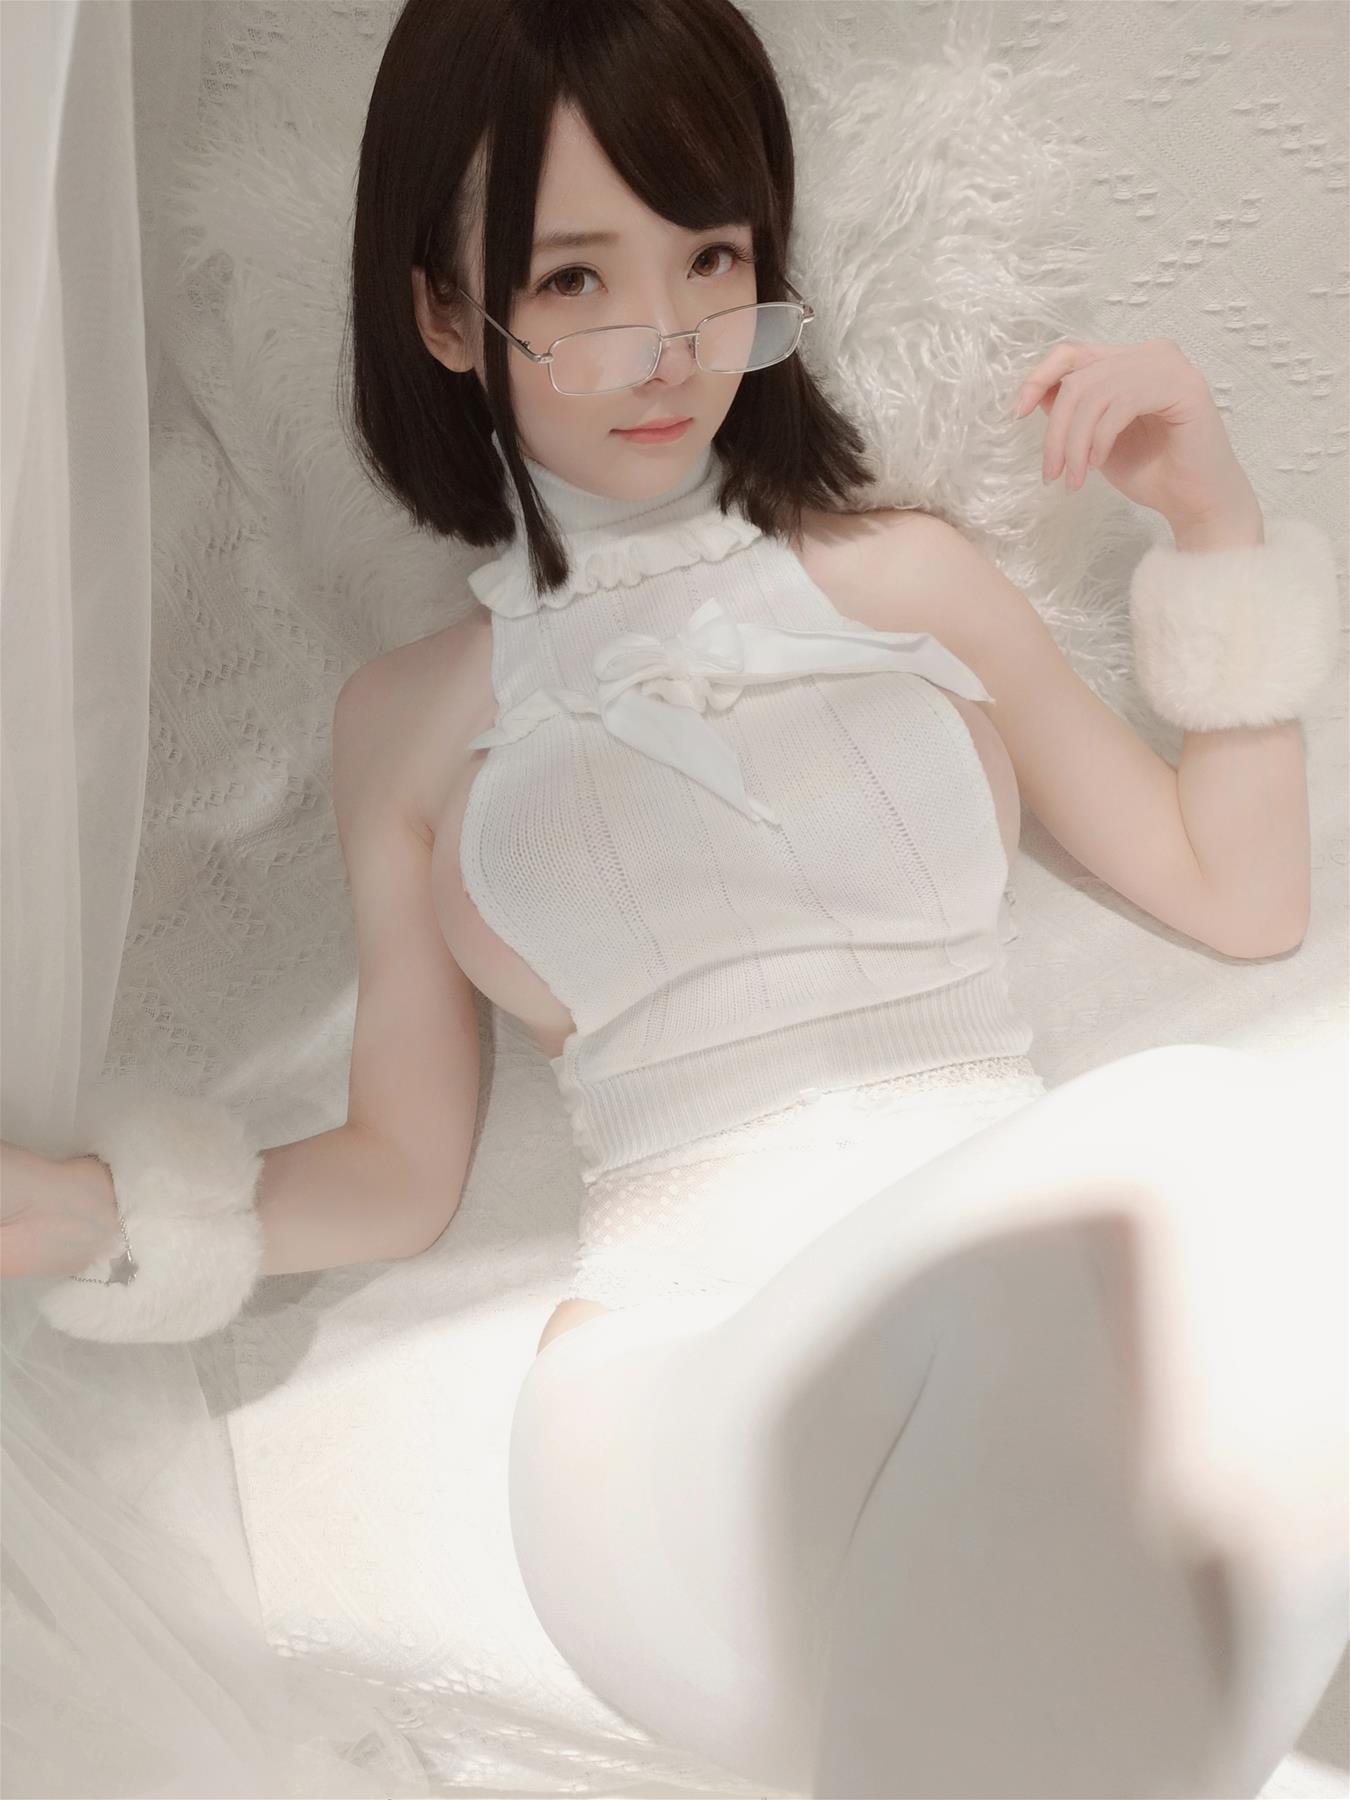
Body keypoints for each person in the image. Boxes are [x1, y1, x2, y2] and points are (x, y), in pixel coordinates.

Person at [5, 0, 1344, 1795]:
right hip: (677, 1420)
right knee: (1202, 1138)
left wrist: (1212, 522)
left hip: (1038, 1359)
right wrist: (92, 1217)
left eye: (708, 258)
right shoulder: (408, 723)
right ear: (444, 314)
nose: (663, 345)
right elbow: (399, 1173)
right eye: (573, 280)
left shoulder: (911, 581)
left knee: (1198, 1267)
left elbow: (1240, 901)